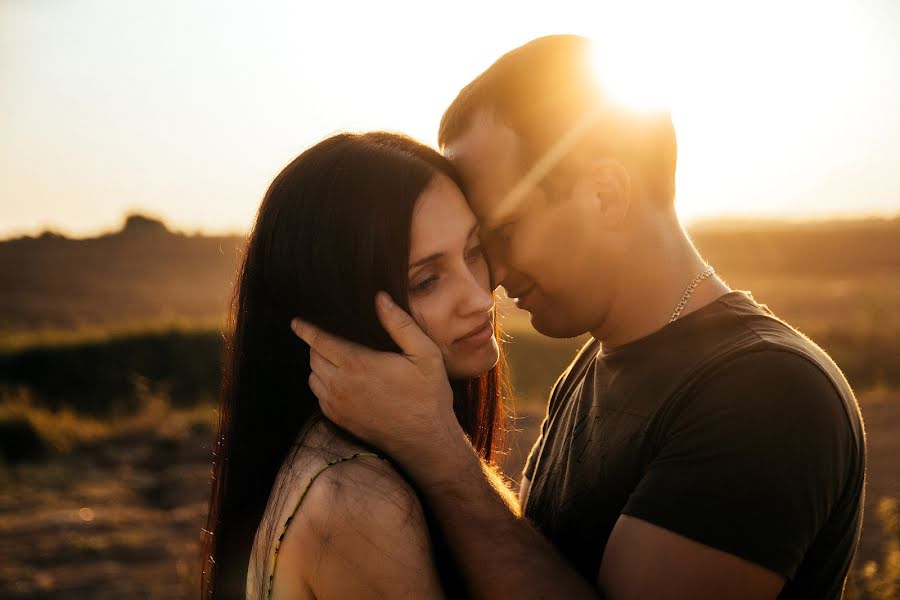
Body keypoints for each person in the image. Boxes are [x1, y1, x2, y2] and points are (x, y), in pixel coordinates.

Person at [292, 35, 866, 599]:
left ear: (604, 195)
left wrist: (438, 451)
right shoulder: (596, 363)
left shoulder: (768, 393)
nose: (490, 274)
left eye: (504, 233)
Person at [200, 132, 515, 599]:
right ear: (343, 309)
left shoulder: (341, 466)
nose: (478, 297)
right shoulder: (361, 503)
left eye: (473, 251)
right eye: (427, 280)